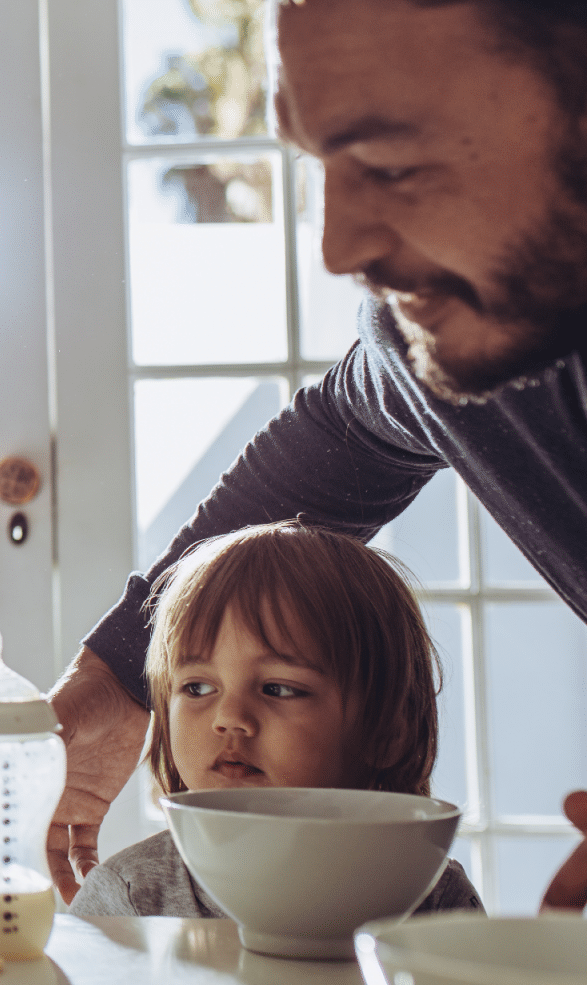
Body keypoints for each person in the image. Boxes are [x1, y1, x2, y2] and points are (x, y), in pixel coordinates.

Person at [47, 0, 587, 913]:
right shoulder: (452, 344)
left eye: (391, 164)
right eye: (320, 165)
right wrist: (119, 669)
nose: (341, 249)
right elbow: (343, 435)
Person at [69, 522, 481, 917]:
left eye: (278, 689)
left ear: (387, 731)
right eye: (197, 688)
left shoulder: (436, 900)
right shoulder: (128, 900)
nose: (229, 718)